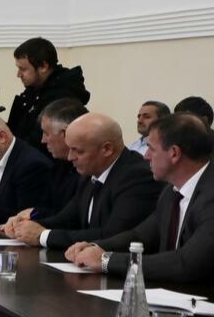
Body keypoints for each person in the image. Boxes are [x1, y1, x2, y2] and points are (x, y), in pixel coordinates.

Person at [67, 114, 214, 283]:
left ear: (174, 153)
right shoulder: (171, 191)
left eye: (151, 149)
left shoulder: (210, 196)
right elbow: (140, 236)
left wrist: (106, 260)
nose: (146, 156)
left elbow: (186, 263)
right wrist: (95, 247)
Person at [0, 113, 160, 251]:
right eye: (69, 149)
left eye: (78, 151)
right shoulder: (89, 172)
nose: (70, 157)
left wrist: (43, 236)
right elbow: (67, 219)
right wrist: (25, 225)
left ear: (107, 149)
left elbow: (113, 234)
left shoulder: (138, 176)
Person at [5, 37, 91, 157]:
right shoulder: (34, 91)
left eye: (23, 69)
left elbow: (40, 145)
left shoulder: (62, 97)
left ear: (43, 66)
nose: (18, 75)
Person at [33, 98, 90, 219]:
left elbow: (73, 219)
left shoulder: (89, 171)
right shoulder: (58, 166)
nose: (43, 140)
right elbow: (45, 206)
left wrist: (34, 216)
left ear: (66, 133)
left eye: (46, 133)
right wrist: (29, 216)